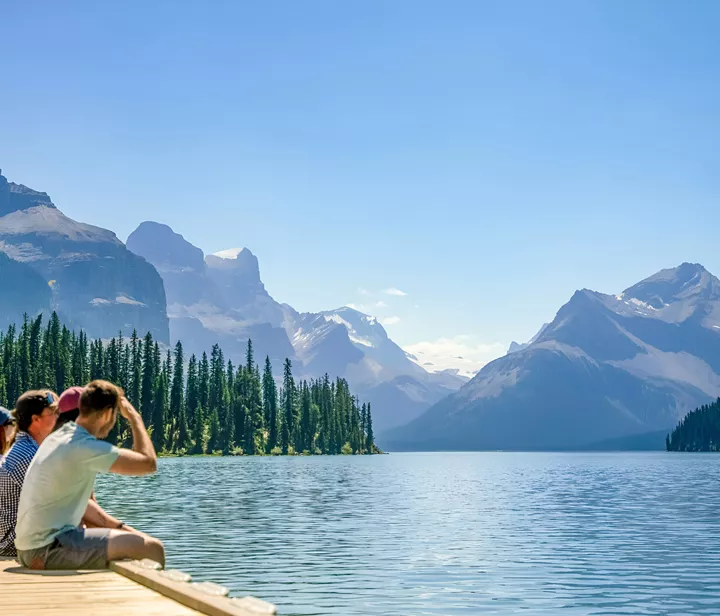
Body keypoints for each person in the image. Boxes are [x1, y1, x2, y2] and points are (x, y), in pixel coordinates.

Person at [15, 380, 165, 570]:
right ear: (108, 413)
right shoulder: (83, 446)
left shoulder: (60, 436)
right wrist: (134, 417)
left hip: (30, 548)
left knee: (127, 544)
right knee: (153, 548)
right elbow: (148, 463)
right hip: (47, 549)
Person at [0, 391, 59, 557]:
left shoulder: (28, 449)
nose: (58, 417)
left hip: (16, 539)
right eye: (54, 412)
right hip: (17, 544)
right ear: (36, 419)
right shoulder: (28, 456)